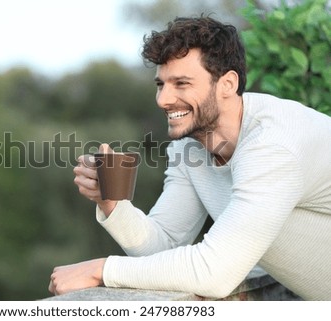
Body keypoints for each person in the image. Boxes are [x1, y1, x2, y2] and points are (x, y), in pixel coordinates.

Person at [48, 16, 331, 300]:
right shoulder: (191, 149)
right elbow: (163, 248)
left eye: (181, 83)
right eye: (161, 84)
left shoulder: (272, 144)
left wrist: (102, 270)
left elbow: (215, 273)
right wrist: (112, 203)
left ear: (227, 84)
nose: (163, 99)